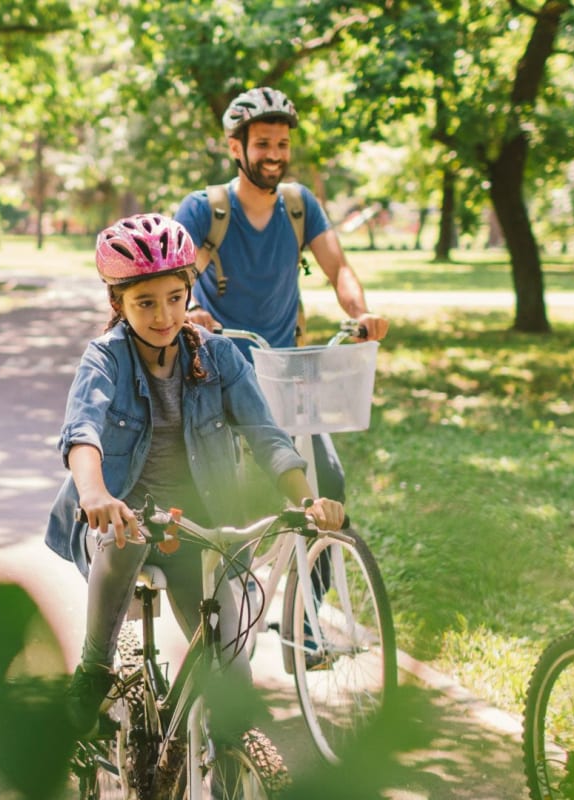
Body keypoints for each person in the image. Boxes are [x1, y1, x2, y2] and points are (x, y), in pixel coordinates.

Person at [47, 213, 344, 737]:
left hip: (196, 527)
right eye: (144, 302)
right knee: (125, 533)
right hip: (124, 517)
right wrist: (95, 494)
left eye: (174, 298)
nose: (163, 315)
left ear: (189, 293)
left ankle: (229, 768)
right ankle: (95, 668)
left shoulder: (219, 357)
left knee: (232, 683)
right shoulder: (106, 360)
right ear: (118, 304)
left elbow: (266, 436)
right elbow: (83, 432)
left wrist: (305, 500)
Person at [173, 86, 387, 506]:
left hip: (286, 372)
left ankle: (318, 571)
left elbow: (338, 267)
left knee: (327, 484)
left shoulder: (299, 205)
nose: (275, 154)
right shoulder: (205, 210)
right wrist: (193, 309)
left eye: (283, 144)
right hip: (221, 373)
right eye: (263, 144)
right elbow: (178, 281)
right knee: (223, 498)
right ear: (237, 147)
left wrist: (363, 313)